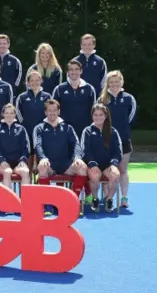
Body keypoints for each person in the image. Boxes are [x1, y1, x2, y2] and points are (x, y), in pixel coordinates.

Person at [34, 99, 88, 215]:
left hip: (66, 165)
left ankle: (72, 203)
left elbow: (76, 144)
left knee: (82, 168)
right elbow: (37, 145)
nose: (52, 113)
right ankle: (48, 205)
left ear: (59, 111)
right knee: (42, 168)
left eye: (54, 110)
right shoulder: (39, 128)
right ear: (45, 112)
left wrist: (77, 157)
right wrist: (42, 157)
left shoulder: (68, 127)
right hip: (49, 164)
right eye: (49, 110)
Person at [98, 70, 136, 208]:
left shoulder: (129, 98)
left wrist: (122, 131)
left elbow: (131, 118)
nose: (114, 84)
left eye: (117, 81)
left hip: (124, 140)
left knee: (123, 169)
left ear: (122, 82)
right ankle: (107, 198)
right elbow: (98, 118)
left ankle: (124, 198)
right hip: (106, 140)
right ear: (107, 83)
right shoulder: (102, 99)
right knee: (108, 169)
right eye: (111, 82)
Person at [81, 104, 123, 212]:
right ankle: (95, 199)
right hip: (93, 164)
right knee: (95, 176)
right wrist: (91, 163)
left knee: (115, 175)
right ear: (92, 116)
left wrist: (114, 164)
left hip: (108, 165)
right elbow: (85, 150)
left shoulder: (113, 131)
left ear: (105, 116)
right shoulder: (87, 131)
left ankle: (108, 200)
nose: (98, 117)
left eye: (101, 115)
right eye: (96, 115)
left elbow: (118, 151)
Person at [15, 70, 52, 171]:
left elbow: (51, 111)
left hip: (43, 131)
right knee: (29, 153)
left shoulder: (47, 96)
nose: (34, 82)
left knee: (42, 152)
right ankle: (30, 178)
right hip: (27, 130)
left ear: (41, 81)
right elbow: (17, 113)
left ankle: (41, 179)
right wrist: (23, 125)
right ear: (28, 82)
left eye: (37, 80)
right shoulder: (22, 97)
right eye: (32, 80)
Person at [0, 104, 31, 190]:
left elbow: (26, 147)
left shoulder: (21, 129)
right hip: (2, 164)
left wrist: (23, 160)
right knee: (7, 171)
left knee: (25, 171)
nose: (9, 115)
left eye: (11, 113)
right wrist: (1, 160)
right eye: (7, 113)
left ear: (15, 115)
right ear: (3, 114)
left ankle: (26, 201)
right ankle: (8, 202)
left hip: (18, 163)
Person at [52, 60, 96, 137]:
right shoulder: (59, 89)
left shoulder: (89, 89)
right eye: (71, 69)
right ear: (67, 72)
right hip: (65, 131)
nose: (74, 72)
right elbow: (53, 110)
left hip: (84, 130)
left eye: (76, 69)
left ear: (81, 71)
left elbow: (93, 111)